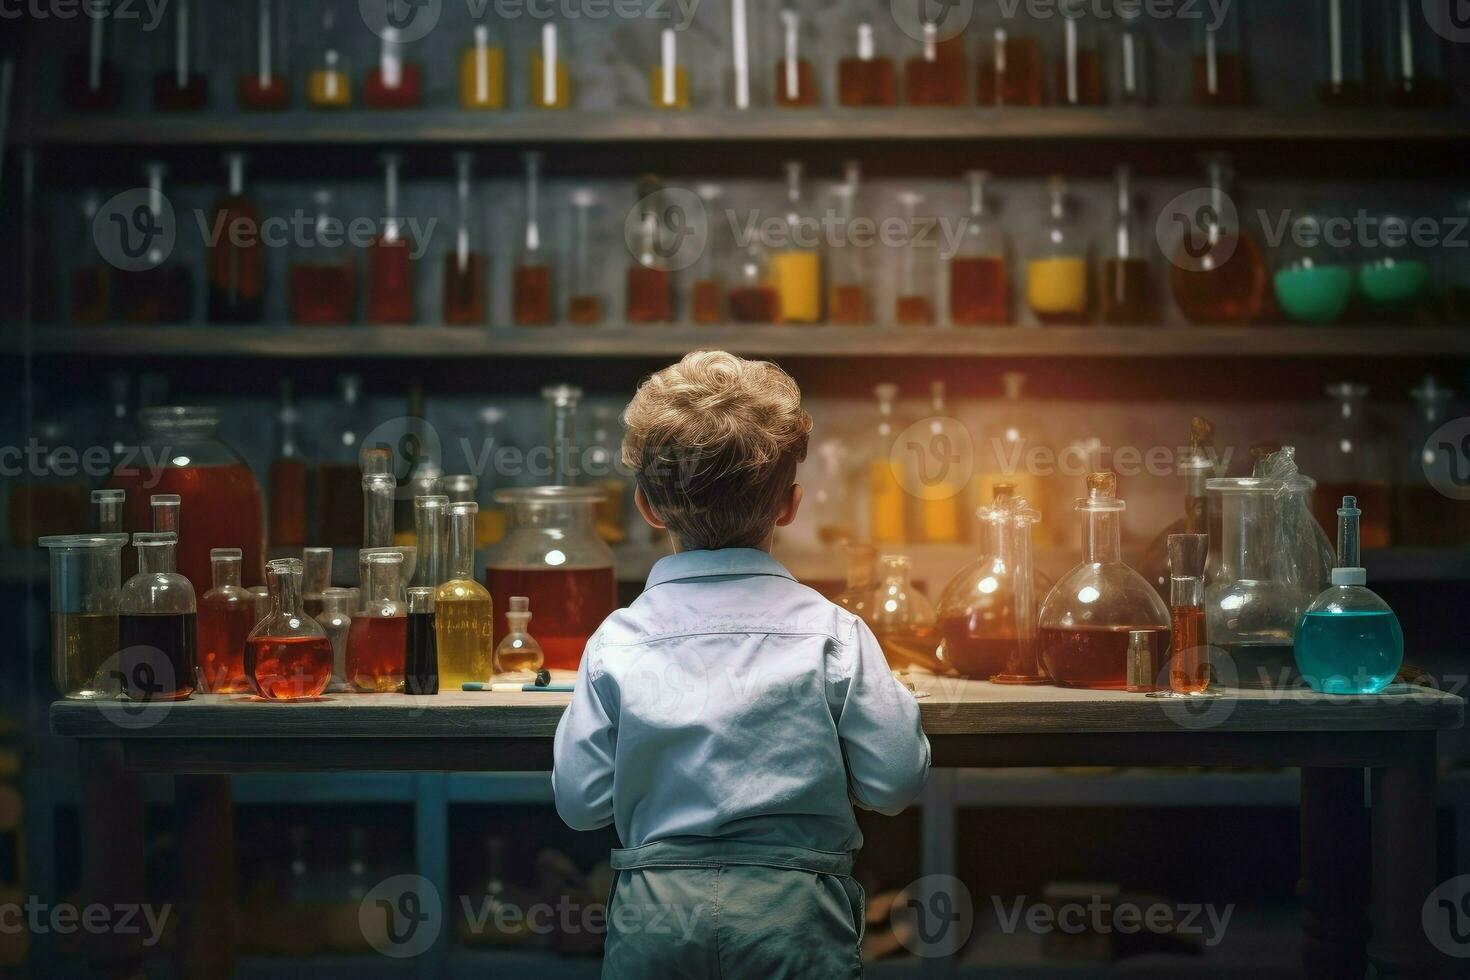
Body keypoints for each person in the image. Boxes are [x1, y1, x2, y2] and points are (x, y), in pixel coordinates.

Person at [553, 350, 931, 977]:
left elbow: (581, 803)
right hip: (794, 919)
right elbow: (894, 783)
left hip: (656, 919)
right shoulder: (833, 633)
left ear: (647, 507)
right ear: (790, 505)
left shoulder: (616, 641)